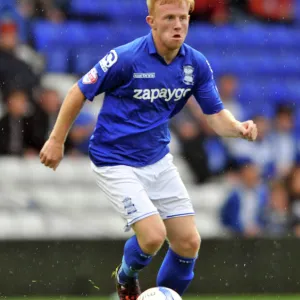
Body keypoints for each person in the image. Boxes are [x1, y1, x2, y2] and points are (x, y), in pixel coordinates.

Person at [39, 0, 258, 298]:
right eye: (169, 18)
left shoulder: (195, 64)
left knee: (188, 243)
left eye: (183, 17)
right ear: (151, 21)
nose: (178, 24)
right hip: (114, 161)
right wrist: (56, 139)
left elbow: (216, 116)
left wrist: (238, 128)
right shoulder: (126, 58)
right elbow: (79, 90)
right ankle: (125, 277)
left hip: (157, 159)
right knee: (154, 236)